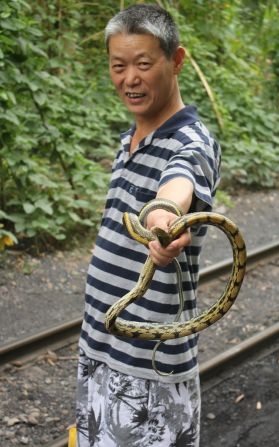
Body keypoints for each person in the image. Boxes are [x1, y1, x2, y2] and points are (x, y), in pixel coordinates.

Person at [76, 4, 221, 446]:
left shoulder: (193, 143)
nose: (129, 79)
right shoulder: (132, 139)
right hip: (99, 349)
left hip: (146, 369)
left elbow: (177, 187)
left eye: (143, 64)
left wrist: (163, 219)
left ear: (175, 61)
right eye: (118, 66)